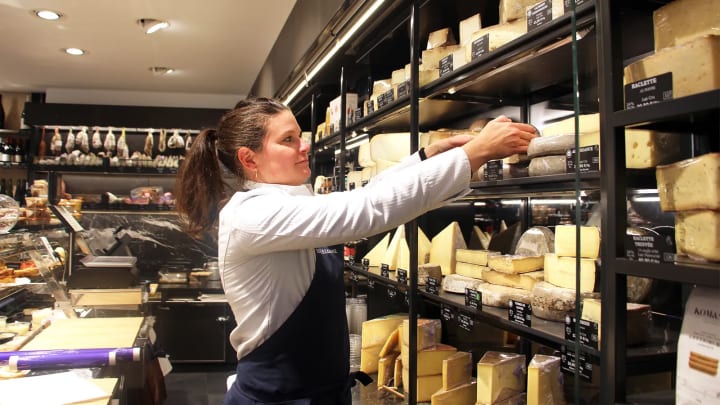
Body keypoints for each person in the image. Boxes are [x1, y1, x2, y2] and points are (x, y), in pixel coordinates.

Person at [175, 97, 537, 404]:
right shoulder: (252, 214)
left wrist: (426, 156)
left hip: (321, 391)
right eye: (288, 140)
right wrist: (475, 152)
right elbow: (366, 209)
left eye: (300, 136)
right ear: (249, 159)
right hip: (279, 397)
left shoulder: (292, 199)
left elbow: (364, 195)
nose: (304, 146)